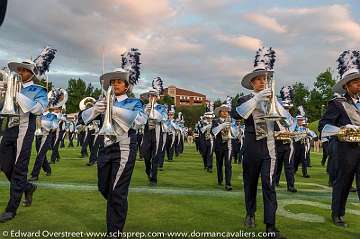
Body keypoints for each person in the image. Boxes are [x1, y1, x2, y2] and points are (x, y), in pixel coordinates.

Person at [80, 68, 147, 234]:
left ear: (126, 86)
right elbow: (83, 118)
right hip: (105, 149)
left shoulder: (134, 102)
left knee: (117, 191)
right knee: (104, 188)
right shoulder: (103, 100)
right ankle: (118, 206)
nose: (115, 84)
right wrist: (97, 108)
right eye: (113, 82)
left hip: (124, 148)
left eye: (119, 82)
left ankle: (114, 231)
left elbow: (140, 120)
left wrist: (114, 109)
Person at [231, 47, 286, 238]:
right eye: (259, 79)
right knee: (250, 182)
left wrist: (276, 104)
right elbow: (237, 114)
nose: (263, 81)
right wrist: (256, 99)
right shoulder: (244, 98)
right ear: (252, 82)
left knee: (269, 184)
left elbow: (283, 118)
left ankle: (270, 224)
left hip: (269, 145)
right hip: (251, 143)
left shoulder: (273, 98)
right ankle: (250, 213)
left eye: (265, 78)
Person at [0, 59, 48, 222]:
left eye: (24, 71)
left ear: (31, 74)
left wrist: (16, 94)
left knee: (19, 169)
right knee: (5, 165)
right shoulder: (11, 87)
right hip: (10, 128)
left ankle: (11, 209)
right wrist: (4, 93)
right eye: (19, 70)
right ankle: (27, 187)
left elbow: (39, 109)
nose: (20, 73)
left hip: (25, 129)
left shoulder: (39, 90)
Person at [319, 50, 360, 227]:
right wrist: (342, 129)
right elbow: (324, 127)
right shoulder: (337, 104)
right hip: (346, 150)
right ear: (346, 86)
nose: (359, 85)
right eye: (356, 82)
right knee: (343, 183)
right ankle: (338, 213)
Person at [141, 77, 167, 186]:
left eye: (153, 96)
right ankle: (148, 170)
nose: (151, 98)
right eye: (150, 96)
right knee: (146, 155)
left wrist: (151, 110)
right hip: (147, 132)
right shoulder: (143, 106)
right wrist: (145, 111)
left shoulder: (161, 107)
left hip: (157, 132)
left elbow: (162, 118)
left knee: (155, 155)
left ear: (157, 98)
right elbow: (139, 121)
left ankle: (154, 179)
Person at [212, 103, 237, 191]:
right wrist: (222, 125)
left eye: (227, 111)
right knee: (219, 163)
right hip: (219, 144)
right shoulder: (215, 121)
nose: (225, 113)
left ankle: (228, 183)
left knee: (228, 164)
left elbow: (235, 133)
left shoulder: (232, 121)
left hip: (228, 144)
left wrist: (231, 127)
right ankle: (220, 179)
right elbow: (213, 132)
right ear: (220, 112)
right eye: (223, 111)